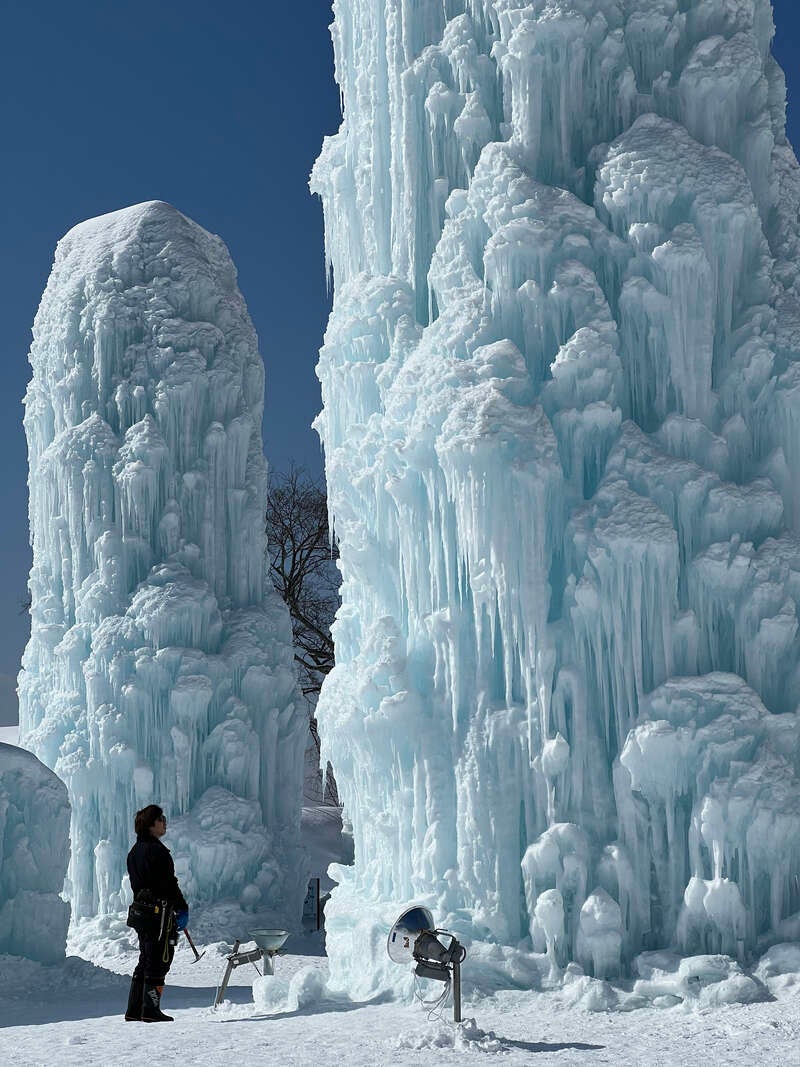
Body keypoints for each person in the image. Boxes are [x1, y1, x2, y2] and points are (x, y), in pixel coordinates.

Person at [125, 804, 189, 1022]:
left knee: (145, 957)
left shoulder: (134, 852)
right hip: (158, 913)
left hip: (140, 913)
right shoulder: (158, 852)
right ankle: (151, 1010)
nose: (164, 822)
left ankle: (135, 1009)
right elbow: (169, 885)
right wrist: (182, 907)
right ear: (151, 824)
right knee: (159, 960)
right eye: (161, 819)